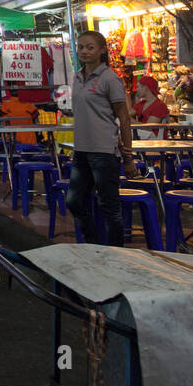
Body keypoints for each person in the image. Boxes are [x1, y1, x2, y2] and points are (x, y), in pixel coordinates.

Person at [66, 30, 136, 246]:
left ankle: (116, 252)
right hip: (81, 151)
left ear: (102, 50)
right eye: (81, 47)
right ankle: (93, 243)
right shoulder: (77, 77)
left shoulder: (109, 78)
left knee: (109, 208)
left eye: (90, 47)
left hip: (104, 152)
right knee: (74, 201)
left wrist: (128, 156)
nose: (84, 51)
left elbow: (124, 118)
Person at [131, 75, 169, 140]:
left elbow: (148, 127)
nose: (136, 89)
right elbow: (128, 113)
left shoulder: (159, 106)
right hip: (142, 135)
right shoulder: (141, 104)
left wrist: (129, 120)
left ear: (145, 88)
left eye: (138, 87)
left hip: (154, 139)